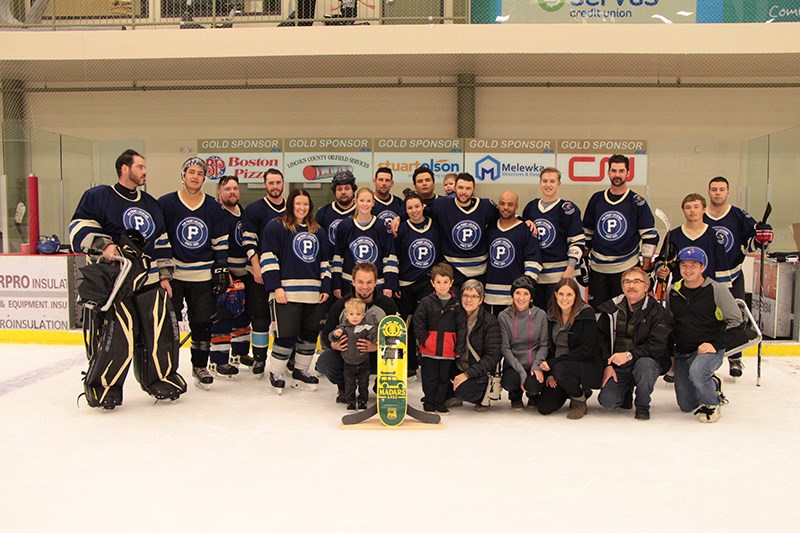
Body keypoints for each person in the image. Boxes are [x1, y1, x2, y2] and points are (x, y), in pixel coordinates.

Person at [69, 149, 186, 408]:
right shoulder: (99, 196)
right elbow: (78, 227)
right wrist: (104, 244)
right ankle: (104, 387)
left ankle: (160, 378)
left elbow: (162, 241)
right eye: (140, 166)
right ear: (125, 168)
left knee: (158, 330)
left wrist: (166, 276)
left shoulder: (151, 204)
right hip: (115, 283)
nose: (145, 171)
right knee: (117, 334)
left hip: (148, 280)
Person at [159, 157, 229, 390]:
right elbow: (161, 238)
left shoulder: (212, 206)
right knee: (169, 324)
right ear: (183, 174)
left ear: (204, 178)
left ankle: (200, 366)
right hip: (175, 275)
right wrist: (163, 271)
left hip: (202, 276)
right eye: (191, 171)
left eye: (200, 173)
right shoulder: (167, 203)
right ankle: (166, 369)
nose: (195, 176)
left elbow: (220, 241)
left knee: (202, 323)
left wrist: (220, 268)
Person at [260, 189, 331, 394]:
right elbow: (268, 258)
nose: (302, 208)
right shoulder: (276, 227)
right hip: (286, 293)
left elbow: (325, 261)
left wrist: (325, 286)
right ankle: (277, 372)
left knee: (309, 335)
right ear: (291, 204)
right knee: (286, 336)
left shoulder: (318, 230)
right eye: (298, 204)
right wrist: (276, 287)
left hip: (313, 293)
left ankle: (301, 370)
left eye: (305, 204)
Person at [666, 247, 747, 423]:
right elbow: (670, 324)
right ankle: (712, 384)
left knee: (698, 371)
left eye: (693, 265)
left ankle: (712, 403)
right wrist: (671, 353)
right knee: (686, 405)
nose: (688, 270)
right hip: (682, 352)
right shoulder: (673, 291)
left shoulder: (716, 289)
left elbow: (737, 322)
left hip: (708, 349)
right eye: (684, 265)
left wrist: (715, 345)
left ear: (702, 267)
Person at [705, 176, 773, 377]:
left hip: (733, 275)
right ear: (709, 192)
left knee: (736, 317)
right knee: (705, 317)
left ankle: (735, 358)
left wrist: (762, 239)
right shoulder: (700, 214)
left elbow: (750, 243)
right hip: (707, 277)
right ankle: (701, 358)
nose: (717, 192)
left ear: (728, 192)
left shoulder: (738, 215)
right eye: (714, 189)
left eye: (721, 189)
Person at [582, 154, 659, 309]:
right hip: (598, 270)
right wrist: (582, 260)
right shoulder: (596, 199)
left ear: (628, 173)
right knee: (599, 315)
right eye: (614, 170)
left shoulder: (637, 202)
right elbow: (588, 233)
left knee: (626, 314)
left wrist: (644, 267)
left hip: (627, 269)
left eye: (621, 171)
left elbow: (649, 236)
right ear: (608, 172)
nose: (617, 175)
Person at [316, 262, 399, 402]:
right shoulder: (340, 305)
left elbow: (399, 337)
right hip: (350, 357)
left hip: (376, 357)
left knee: (400, 354)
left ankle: (383, 385)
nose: (365, 287)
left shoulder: (387, 305)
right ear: (353, 282)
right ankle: (344, 388)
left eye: (369, 282)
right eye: (360, 282)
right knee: (325, 362)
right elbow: (326, 335)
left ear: (375, 283)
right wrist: (333, 345)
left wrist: (378, 347)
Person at [597, 267, 671, 421]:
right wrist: (607, 365)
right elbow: (600, 340)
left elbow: (657, 346)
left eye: (637, 282)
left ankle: (643, 405)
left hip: (647, 361)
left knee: (644, 365)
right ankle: (626, 391)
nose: (631, 286)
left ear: (646, 287)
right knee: (608, 402)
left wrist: (630, 355)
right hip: (618, 365)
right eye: (627, 282)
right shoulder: (610, 308)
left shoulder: (657, 311)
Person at [242, 168, 286, 376]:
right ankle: (259, 359)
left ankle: (285, 359)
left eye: (278, 182)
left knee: (285, 320)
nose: (275, 186)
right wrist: (257, 268)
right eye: (271, 183)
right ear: (265, 184)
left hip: (284, 276)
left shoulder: (292, 209)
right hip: (259, 274)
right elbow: (249, 241)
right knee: (260, 319)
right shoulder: (254, 209)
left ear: (283, 183)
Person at [522, 167, 586, 310]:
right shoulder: (531, 207)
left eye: (552, 181)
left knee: (556, 316)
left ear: (559, 183)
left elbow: (577, 241)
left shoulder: (567, 209)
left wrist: (569, 270)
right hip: (536, 275)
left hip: (559, 275)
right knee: (538, 317)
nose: (548, 185)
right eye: (545, 181)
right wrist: (524, 223)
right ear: (540, 183)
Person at [394, 190, 442, 378]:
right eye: (409, 208)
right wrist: (395, 283)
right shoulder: (402, 228)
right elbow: (395, 256)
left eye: (417, 206)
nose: (414, 210)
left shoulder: (434, 225)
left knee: (425, 323)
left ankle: (427, 359)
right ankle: (408, 363)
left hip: (426, 283)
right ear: (405, 210)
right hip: (406, 284)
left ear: (423, 206)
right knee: (406, 324)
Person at [540, 278, 602, 419]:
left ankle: (579, 400)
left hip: (584, 364)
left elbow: (585, 350)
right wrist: (549, 373)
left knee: (561, 369)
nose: (564, 298)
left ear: (576, 296)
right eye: (561, 294)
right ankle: (570, 388)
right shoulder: (550, 315)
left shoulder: (586, 313)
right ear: (555, 294)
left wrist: (553, 364)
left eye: (569, 294)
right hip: (558, 368)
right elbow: (548, 346)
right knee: (544, 407)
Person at [208, 175, 251, 379]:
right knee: (223, 316)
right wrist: (222, 270)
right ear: (219, 192)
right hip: (225, 272)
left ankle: (240, 354)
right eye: (227, 189)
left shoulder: (244, 213)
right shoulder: (216, 214)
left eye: (235, 188)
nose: (232, 192)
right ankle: (218, 361)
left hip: (245, 271)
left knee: (243, 314)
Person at [413, 263, 467, 414]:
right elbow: (418, 322)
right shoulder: (426, 302)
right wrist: (424, 339)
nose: (442, 286)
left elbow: (461, 326)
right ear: (432, 283)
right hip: (429, 349)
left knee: (443, 378)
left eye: (445, 282)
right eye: (438, 282)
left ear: (451, 282)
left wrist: (459, 346)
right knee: (429, 377)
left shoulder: (456, 304)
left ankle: (440, 401)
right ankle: (429, 400)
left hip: (448, 349)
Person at [332, 187, 398, 298]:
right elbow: (338, 257)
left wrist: (389, 284)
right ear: (355, 202)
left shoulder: (381, 226)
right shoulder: (345, 226)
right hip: (349, 283)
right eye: (362, 200)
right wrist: (336, 284)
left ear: (373, 203)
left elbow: (389, 257)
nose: (365, 204)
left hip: (377, 284)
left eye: (368, 201)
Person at [656, 193, 732, 288]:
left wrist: (724, 291)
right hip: (679, 291)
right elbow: (662, 262)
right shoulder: (674, 235)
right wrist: (661, 270)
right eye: (688, 207)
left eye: (696, 207)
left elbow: (721, 266)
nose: (692, 211)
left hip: (707, 291)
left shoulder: (714, 236)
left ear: (704, 209)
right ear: (683, 210)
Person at [484, 190, 542, 313]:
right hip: (491, 296)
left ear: (516, 207)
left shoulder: (526, 230)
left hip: (516, 298)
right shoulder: (490, 228)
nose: (505, 207)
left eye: (510, 204)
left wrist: (525, 290)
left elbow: (533, 262)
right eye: (502, 203)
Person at [451, 279, 502, 412]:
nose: (469, 300)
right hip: (458, 366)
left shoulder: (490, 321)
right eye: (466, 295)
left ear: (481, 299)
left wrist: (467, 374)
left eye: (474, 296)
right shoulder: (455, 316)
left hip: (480, 372)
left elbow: (493, 356)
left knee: (463, 391)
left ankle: (481, 397)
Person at [498, 276, 549, 410]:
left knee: (533, 384)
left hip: (533, 363)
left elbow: (544, 345)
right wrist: (521, 372)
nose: (521, 298)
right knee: (510, 381)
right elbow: (505, 348)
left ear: (531, 297)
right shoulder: (504, 316)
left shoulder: (541, 315)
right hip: (514, 365)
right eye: (517, 293)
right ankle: (515, 396)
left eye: (526, 293)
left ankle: (533, 395)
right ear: (512, 295)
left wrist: (536, 366)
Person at [328, 298, 384, 410]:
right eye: (351, 314)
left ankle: (363, 400)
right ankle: (350, 401)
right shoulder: (343, 328)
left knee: (364, 383)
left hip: (363, 362)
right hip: (348, 362)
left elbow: (374, 335)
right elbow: (331, 337)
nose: (354, 317)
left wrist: (377, 342)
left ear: (363, 315)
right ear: (346, 315)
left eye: (358, 314)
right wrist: (335, 335)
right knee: (350, 384)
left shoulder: (367, 327)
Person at [316, 169, 357, 249]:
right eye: (339, 189)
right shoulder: (323, 213)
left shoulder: (362, 212)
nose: (343, 192)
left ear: (353, 190)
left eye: (347, 188)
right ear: (334, 191)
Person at [371, 166, 404, 232]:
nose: (384, 183)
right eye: (380, 180)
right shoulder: (368, 203)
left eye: (387, 180)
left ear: (392, 183)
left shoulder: (400, 203)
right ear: (374, 182)